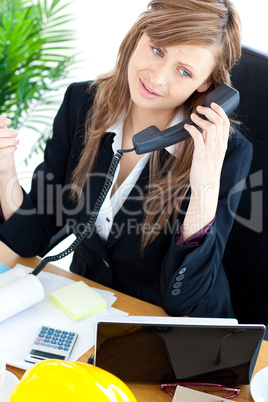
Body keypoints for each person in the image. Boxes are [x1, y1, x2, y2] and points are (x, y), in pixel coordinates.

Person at [0, 0, 252, 318]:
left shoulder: (225, 152)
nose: (157, 78)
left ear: (206, 85)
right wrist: (4, 168)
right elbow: (30, 239)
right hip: (89, 306)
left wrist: (204, 183)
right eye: (158, 50)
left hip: (174, 334)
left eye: (184, 71)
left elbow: (181, 301)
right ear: (139, 35)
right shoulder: (83, 104)